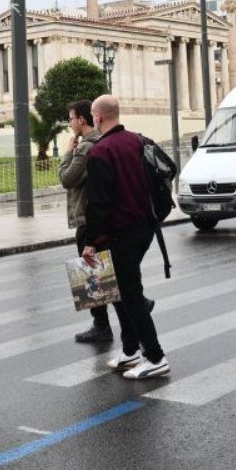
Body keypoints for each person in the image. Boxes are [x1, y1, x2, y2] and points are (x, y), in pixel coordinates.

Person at [82, 95, 169, 380]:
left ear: (97, 117)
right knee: (120, 292)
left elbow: (98, 203)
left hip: (120, 233)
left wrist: (91, 242)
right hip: (145, 228)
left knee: (130, 295)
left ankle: (155, 356)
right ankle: (131, 350)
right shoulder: (138, 141)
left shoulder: (100, 152)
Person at [60, 100, 112, 343]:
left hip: (86, 218)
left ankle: (101, 325)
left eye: (71, 118)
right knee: (102, 272)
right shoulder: (104, 140)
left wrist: (68, 152)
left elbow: (67, 179)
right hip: (104, 216)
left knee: (92, 274)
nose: (70, 123)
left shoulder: (85, 147)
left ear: (81, 119)